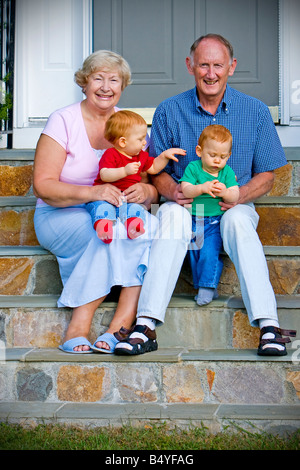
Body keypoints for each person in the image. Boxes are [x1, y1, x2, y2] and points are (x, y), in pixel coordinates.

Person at [115, 34, 296, 357]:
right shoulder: (170, 110)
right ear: (190, 66)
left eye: (217, 65)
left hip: (233, 204)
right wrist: (170, 190)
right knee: (170, 215)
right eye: (203, 65)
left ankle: (269, 326)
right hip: (187, 204)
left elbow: (267, 175)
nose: (210, 73)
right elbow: (155, 168)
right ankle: (145, 325)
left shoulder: (254, 111)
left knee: (240, 222)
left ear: (231, 67)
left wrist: (238, 196)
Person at [33, 50, 159, 354]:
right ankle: (78, 325)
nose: (105, 86)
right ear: (84, 82)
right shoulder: (63, 120)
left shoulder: (130, 124)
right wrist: (94, 193)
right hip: (60, 213)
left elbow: (149, 181)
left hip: (116, 211)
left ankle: (121, 324)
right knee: (106, 232)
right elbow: (43, 185)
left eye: (113, 79)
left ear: (122, 85)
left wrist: (148, 194)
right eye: (97, 78)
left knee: (149, 225)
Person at [86, 110, 185, 243]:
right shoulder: (111, 154)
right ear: (123, 142)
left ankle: (134, 227)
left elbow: (154, 167)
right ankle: (104, 228)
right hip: (106, 197)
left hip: (127, 199)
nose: (145, 143)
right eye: (140, 139)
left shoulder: (140, 156)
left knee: (136, 210)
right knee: (103, 209)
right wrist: (124, 171)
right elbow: (105, 174)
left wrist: (164, 156)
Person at [180, 124, 239, 306]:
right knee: (195, 253)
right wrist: (202, 188)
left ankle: (207, 286)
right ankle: (204, 286)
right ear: (199, 151)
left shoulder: (226, 173)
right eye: (212, 155)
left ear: (228, 156)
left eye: (222, 157)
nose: (217, 161)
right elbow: (186, 190)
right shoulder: (193, 168)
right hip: (194, 219)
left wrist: (225, 193)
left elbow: (235, 195)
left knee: (209, 252)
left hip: (215, 220)